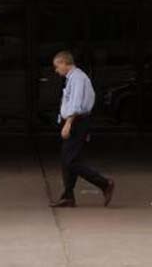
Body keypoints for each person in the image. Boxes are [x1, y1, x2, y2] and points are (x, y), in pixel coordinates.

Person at [49, 50, 115, 208]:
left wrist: (68, 123)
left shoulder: (78, 78)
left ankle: (104, 183)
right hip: (73, 121)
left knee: (70, 160)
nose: (56, 70)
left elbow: (77, 104)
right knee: (68, 159)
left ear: (65, 63)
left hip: (77, 122)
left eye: (57, 66)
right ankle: (68, 195)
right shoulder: (72, 78)